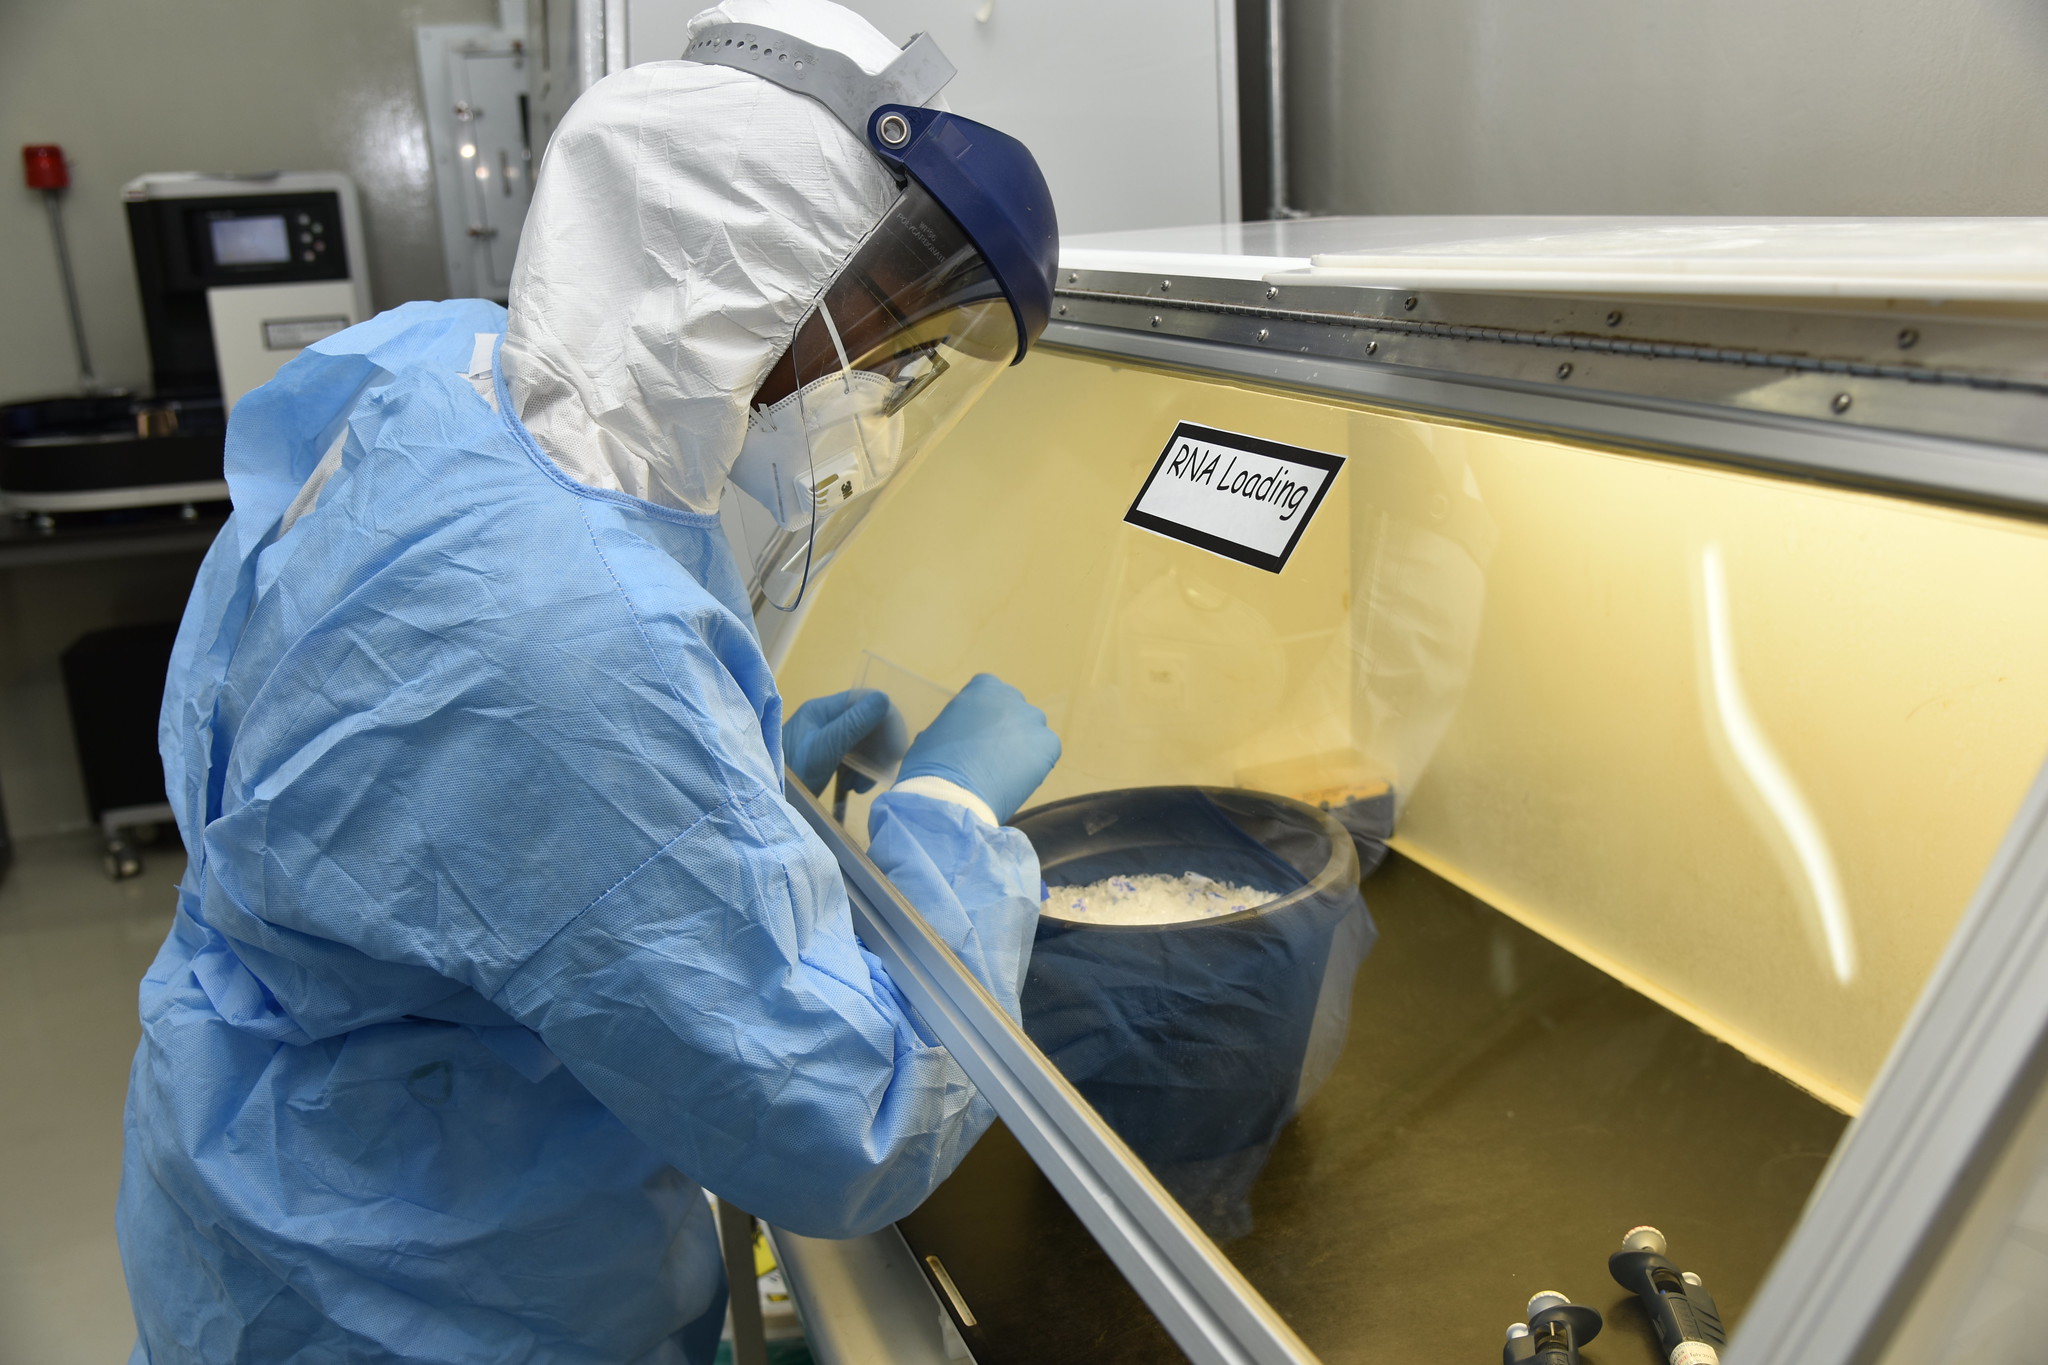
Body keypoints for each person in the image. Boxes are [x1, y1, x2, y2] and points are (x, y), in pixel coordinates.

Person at [116, 2, 1062, 1360]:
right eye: (877, 343)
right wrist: (952, 829)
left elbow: (398, 750)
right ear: (725, 290)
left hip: (263, 1158)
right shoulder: (572, 636)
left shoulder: (441, 366)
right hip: (425, 1284)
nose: (877, 393)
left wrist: (734, 756)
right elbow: (848, 1115)